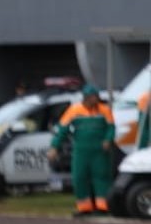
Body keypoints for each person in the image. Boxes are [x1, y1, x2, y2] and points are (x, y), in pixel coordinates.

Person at [49, 85, 115, 216]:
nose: (95, 100)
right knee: (80, 177)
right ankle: (84, 208)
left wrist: (108, 139)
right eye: (92, 97)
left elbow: (111, 128)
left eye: (96, 97)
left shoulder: (105, 110)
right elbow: (62, 129)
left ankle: (103, 207)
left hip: (100, 151)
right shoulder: (74, 110)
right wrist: (54, 147)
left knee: (101, 177)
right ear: (85, 98)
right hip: (81, 151)